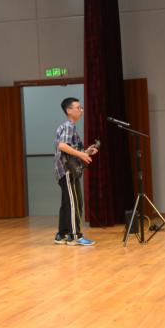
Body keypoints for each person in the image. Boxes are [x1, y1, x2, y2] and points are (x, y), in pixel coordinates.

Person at [54, 97, 96, 246]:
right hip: (67, 171)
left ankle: (62, 234)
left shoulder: (70, 127)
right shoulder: (68, 126)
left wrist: (86, 152)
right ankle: (74, 236)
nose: (81, 110)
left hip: (67, 171)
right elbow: (62, 146)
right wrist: (82, 155)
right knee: (74, 203)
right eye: (78, 107)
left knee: (68, 203)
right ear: (69, 110)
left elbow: (71, 150)